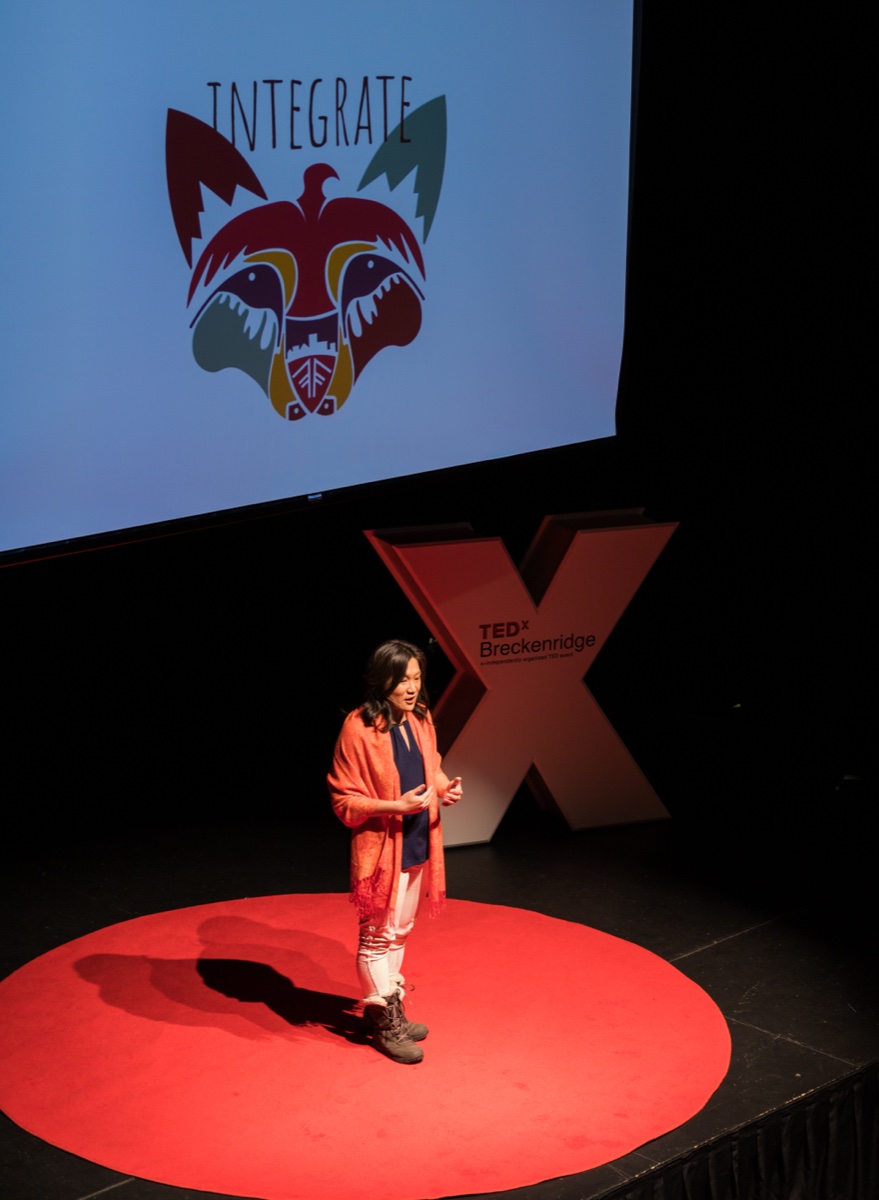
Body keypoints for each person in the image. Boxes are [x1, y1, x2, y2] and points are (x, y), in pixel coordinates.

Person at [327, 639, 463, 1064]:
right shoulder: (358, 726)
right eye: (402, 679)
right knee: (376, 936)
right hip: (382, 846)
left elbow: (430, 764)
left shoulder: (419, 716)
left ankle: (392, 1009)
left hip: (420, 837)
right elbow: (343, 800)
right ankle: (384, 1021)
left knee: (400, 932)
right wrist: (394, 806)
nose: (410, 687)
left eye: (417, 678)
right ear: (381, 679)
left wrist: (444, 787)